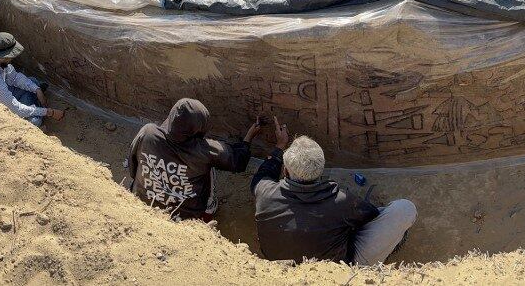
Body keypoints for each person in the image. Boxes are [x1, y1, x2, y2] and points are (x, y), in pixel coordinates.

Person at [253, 126, 417, 265]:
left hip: (278, 269)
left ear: (285, 171)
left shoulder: (264, 191)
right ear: (320, 171)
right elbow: (371, 215)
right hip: (335, 271)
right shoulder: (341, 200)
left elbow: (263, 174)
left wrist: (279, 146)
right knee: (404, 209)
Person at [127, 98, 255, 221]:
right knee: (210, 169)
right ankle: (208, 209)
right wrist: (248, 138)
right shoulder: (206, 151)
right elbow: (238, 161)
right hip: (184, 216)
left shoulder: (148, 133)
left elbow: (133, 163)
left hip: (143, 202)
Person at [0, 32, 65, 126]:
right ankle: (37, 113)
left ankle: (37, 101)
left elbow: (15, 77)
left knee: (33, 83)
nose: (12, 58)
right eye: (10, 55)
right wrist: (49, 112)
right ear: (1, 56)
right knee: (35, 122)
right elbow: (16, 108)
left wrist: (37, 90)